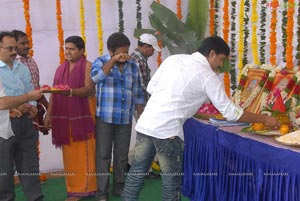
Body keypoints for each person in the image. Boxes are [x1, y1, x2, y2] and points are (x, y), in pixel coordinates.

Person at [122, 36, 281, 201]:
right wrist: (263, 119)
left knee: (136, 174)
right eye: (220, 59)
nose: (220, 64)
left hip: (146, 124)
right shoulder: (207, 76)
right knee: (171, 183)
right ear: (212, 53)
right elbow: (231, 113)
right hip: (168, 133)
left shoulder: (173, 59)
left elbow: (151, 87)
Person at [91, 32, 144, 201]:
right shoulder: (100, 62)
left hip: (125, 118)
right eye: (121, 52)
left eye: (127, 51)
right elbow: (96, 78)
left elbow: (137, 93)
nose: (125, 55)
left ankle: (119, 187)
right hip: (105, 118)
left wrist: (141, 115)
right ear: (111, 51)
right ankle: (102, 193)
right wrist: (112, 62)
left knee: (121, 156)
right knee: (103, 155)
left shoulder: (133, 65)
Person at [44, 36, 97, 201]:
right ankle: (73, 188)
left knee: (85, 152)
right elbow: (54, 93)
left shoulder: (88, 66)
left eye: (72, 49)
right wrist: (49, 113)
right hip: (65, 120)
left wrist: (71, 92)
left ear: (81, 51)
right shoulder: (60, 69)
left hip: (84, 117)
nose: (68, 52)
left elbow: (89, 89)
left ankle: (87, 188)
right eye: (66, 48)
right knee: (69, 154)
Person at [0, 31, 44, 201]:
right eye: (9, 48)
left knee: (30, 164)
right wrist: (16, 106)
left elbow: (30, 90)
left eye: (14, 48)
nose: (14, 52)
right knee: (4, 168)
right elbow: (2, 102)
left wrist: (32, 108)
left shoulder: (21, 67)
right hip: (4, 124)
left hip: (25, 122)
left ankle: (35, 197)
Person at [130, 33, 161, 179]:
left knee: (144, 137)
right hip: (140, 105)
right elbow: (143, 87)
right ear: (145, 46)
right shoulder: (139, 60)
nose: (153, 51)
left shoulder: (137, 57)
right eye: (152, 48)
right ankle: (143, 171)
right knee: (145, 137)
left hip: (139, 104)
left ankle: (143, 169)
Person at [12, 30, 49, 135]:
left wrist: (48, 107)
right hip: (16, 112)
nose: (27, 46)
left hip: (33, 112)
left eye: (27, 43)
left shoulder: (31, 61)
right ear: (13, 45)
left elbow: (36, 88)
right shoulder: (11, 63)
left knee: (30, 147)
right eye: (23, 43)